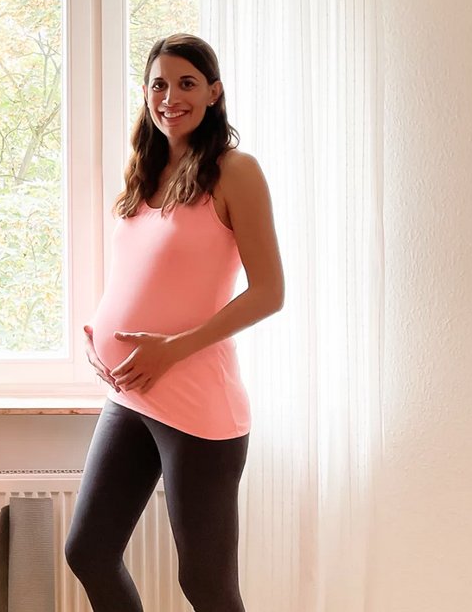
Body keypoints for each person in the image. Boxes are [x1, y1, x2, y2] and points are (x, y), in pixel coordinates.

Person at [65, 34, 285, 611]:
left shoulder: (234, 171)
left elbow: (269, 293)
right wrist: (98, 332)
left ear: (213, 92)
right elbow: (143, 275)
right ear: (145, 93)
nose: (170, 96)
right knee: (88, 550)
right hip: (132, 396)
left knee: (206, 585)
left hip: (198, 404)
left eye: (187, 83)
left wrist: (172, 348)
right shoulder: (148, 170)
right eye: (159, 84)